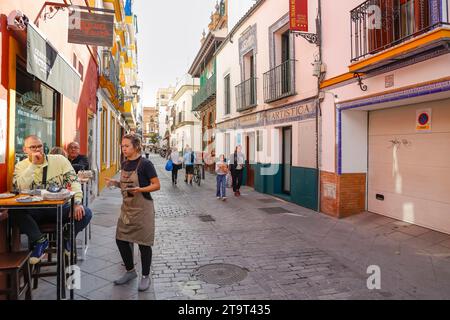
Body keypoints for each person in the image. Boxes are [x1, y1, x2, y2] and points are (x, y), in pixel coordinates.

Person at [11, 135, 92, 264]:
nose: (37, 149)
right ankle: (40, 241)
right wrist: (32, 165)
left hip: (59, 209)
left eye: (39, 146)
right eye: (33, 147)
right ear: (25, 150)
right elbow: (21, 187)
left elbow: (73, 180)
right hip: (35, 211)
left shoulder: (59, 160)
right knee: (14, 212)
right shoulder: (21, 166)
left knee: (86, 213)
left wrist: (77, 202)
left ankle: (68, 237)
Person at [105, 134, 160, 292]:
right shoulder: (124, 163)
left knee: (144, 244)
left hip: (143, 209)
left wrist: (140, 189)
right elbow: (124, 184)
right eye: (122, 146)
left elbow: (156, 185)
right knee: (120, 239)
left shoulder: (145, 164)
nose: (123, 149)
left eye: (126, 146)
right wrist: (114, 183)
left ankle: (145, 276)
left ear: (136, 147)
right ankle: (130, 271)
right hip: (127, 208)